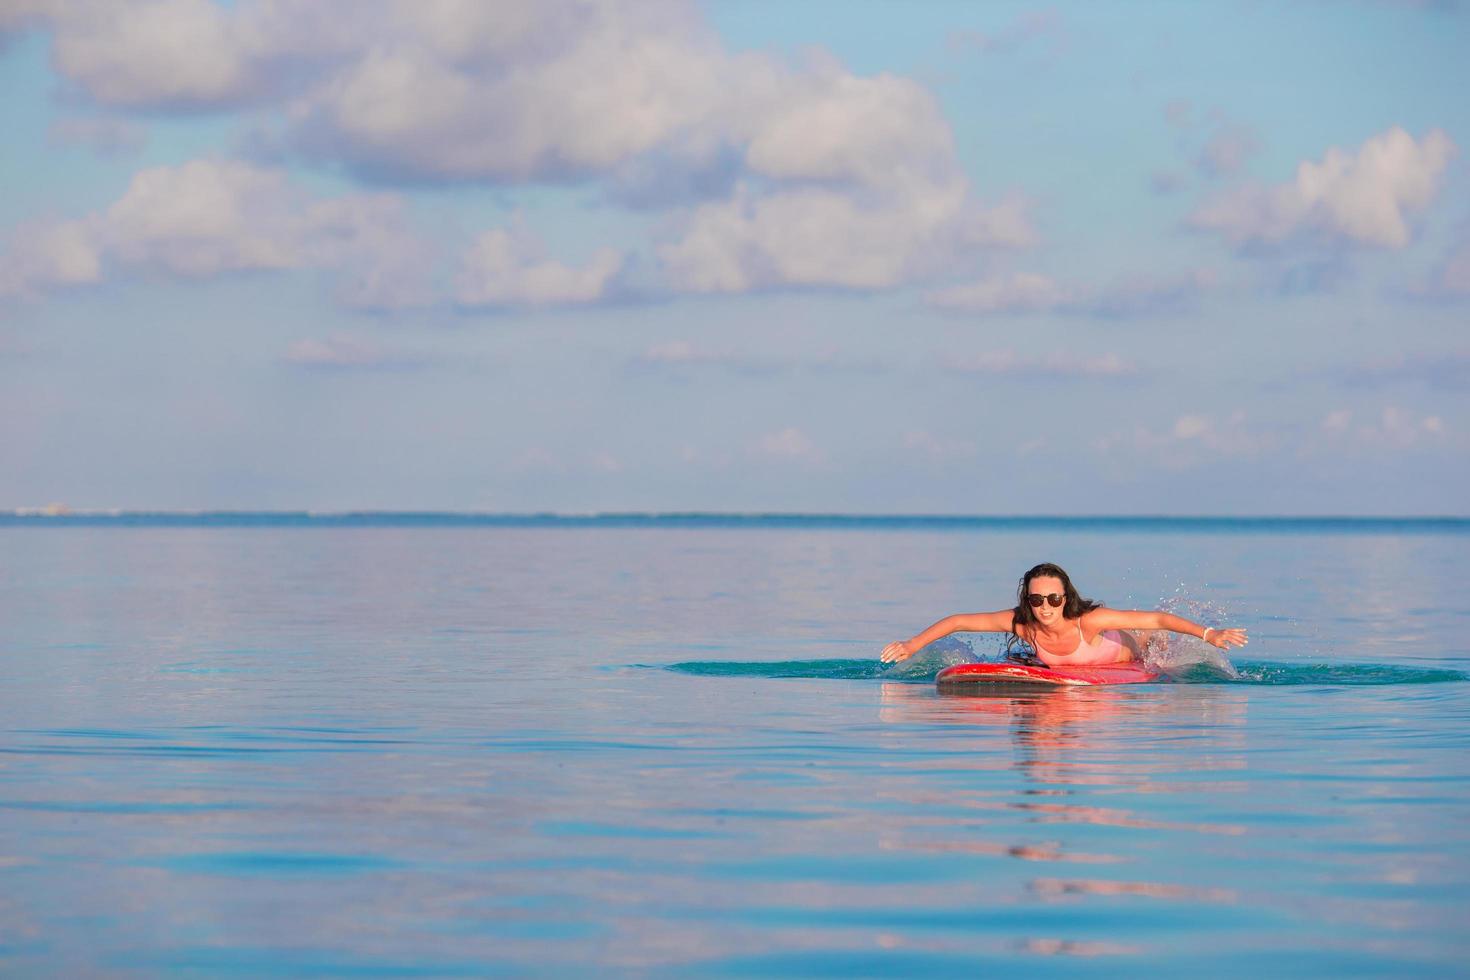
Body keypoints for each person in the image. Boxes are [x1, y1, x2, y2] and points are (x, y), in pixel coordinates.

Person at [880, 562, 1248, 668]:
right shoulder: (1024, 626)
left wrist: (1209, 635)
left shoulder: (1088, 620)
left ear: (1065, 597)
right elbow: (958, 621)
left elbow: (1156, 619)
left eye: (1054, 599)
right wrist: (911, 645)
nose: (1045, 607)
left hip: (1133, 644)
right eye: (1037, 599)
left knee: (1151, 639)